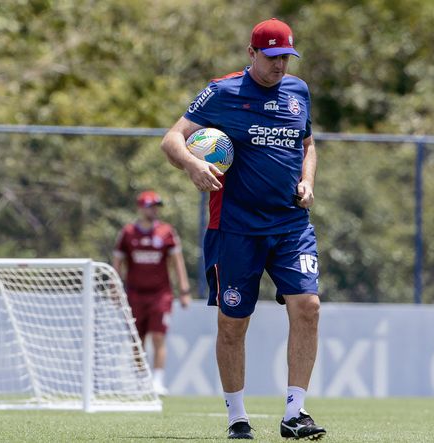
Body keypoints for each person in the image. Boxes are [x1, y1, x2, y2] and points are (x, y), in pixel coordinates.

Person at [160, 17, 326, 441]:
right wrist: (194, 164)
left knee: (308, 306)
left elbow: (307, 144)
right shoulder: (222, 92)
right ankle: (237, 418)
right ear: (251, 54)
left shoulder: (298, 92)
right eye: (272, 58)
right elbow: (172, 139)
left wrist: (308, 181)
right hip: (235, 227)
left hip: (290, 223)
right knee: (234, 323)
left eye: (286, 57)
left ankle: (295, 414)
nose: (280, 66)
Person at [112, 190, 191, 396]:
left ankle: (157, 381)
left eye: (157, 207)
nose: (154, 210)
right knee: (136, 340)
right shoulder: (128, 233)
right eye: (151, 206)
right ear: (140, 208)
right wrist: (114, 289)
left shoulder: (166, 232)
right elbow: (117, 263)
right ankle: (141, 381)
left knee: (158, 336)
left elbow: (177, 262)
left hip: (160, 294)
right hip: (134, 294)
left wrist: (184, 290)